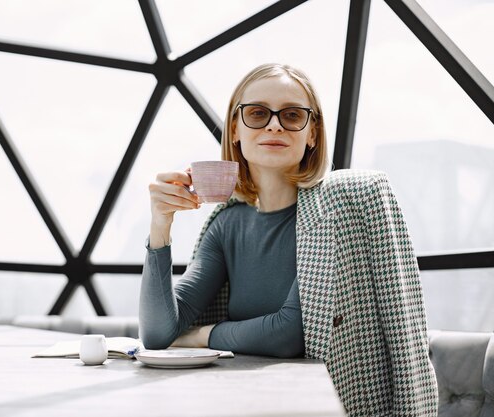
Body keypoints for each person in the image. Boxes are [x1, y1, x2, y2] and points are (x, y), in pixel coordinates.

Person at [139, 63, 438, 416]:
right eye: (257, 113)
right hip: (239, 402)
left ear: (312, 134)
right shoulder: (227, 224)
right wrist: (160, 225)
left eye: (293, 115)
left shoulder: (338, 207)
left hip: (327, 406)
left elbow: (288, 332)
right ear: (235, 130)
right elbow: (158, 335)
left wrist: (198, 336)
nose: (275, 124)